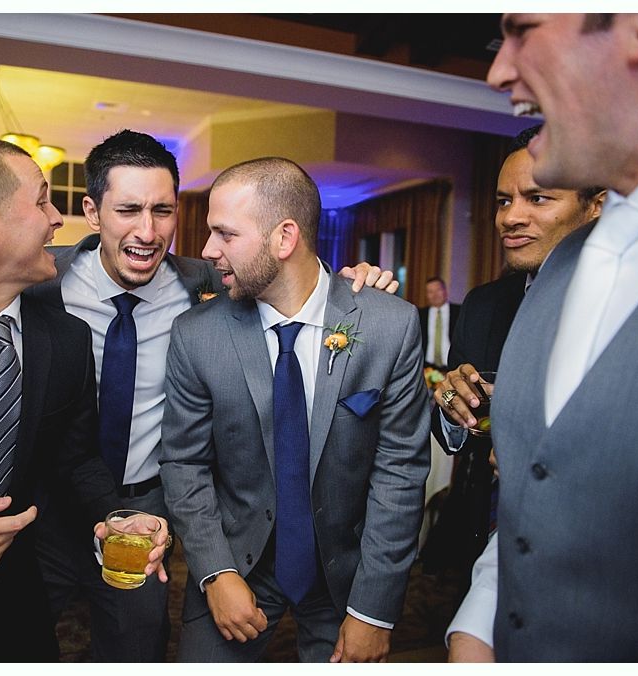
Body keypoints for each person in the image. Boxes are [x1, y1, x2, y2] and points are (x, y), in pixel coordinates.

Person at [27, 130, 398, 661]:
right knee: (17, 641)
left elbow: (283, 271)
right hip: (50, 505)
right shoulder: (41, 281)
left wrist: (356, 283)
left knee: (136, 648)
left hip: (146, 508)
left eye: (163, 210)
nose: (148, 231)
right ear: (92, 211)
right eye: (128, 210)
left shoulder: (205, 283)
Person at [449, 13, 638, 661]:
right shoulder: (561, 268)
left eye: (525, 28)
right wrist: (476, 628)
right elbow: (544, 493)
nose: (500, 70)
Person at [0, 140, 170, 661]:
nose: (56, 220)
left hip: (18, 603)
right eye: (42, 201)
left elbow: (75, 455)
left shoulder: (64, 339)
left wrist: (114, 515)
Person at [160, 157, 430, 662]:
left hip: (345, 573)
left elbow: (400, 474)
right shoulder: (197, 335)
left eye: (225, 234)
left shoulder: (389, 326)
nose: (207, 250)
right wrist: (216, 574)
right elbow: (184, 463)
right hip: (238, 559)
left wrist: (373, 610)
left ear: (284, 238)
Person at [419, 124, 604, 589]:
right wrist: (450, 405)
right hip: (483, 545)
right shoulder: (482, 305)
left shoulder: (635, 312)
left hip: (594, 562)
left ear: (595, 207)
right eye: (503, 201)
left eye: (537, 199)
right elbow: (454, 432)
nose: (510, 218)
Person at [418, 277, 460, 371]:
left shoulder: (459, 312)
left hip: (453, 368)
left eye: (438, 290)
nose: (435, 295)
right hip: (426, 369)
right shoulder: (419, 315)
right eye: (430, 292)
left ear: (445, 291)